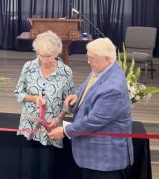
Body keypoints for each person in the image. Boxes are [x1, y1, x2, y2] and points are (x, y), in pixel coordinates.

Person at [48, 37, 134, 179]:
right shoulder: (103, 69)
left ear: (106, 58)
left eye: (91, 58)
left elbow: (93, 121)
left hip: (105, 161)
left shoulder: (113, 88)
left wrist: (64, 131)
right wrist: (76, 96)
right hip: (93, 156)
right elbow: (86, 86)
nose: (88, 62)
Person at [14, 30, 74, 179]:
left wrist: (59, 117)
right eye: (40, 54)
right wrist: (34, 98)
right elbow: (18, 93)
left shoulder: (65, 72)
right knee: (30, 169)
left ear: (57, 53)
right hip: (29, 125)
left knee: (46, 170)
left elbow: (69, 103)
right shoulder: (29, 67)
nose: (43, 59)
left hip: (51, 129)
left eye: (48, 56)